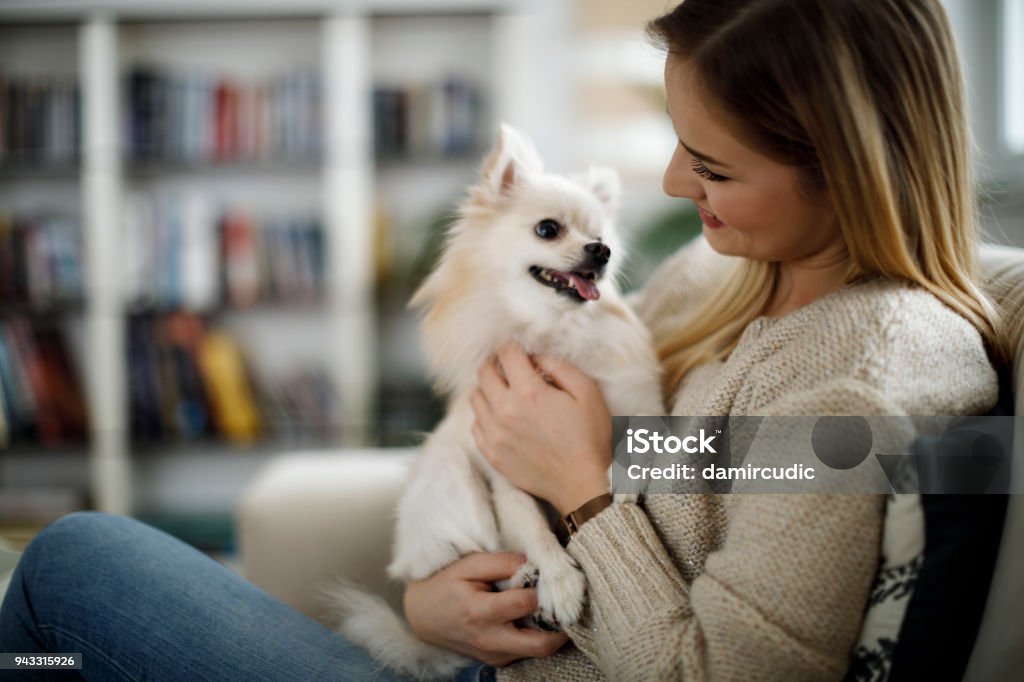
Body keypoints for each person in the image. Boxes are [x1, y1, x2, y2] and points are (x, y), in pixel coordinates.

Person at [0, 0, 1008, 680]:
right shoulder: (721, 281)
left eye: (710, 163)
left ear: (846, 162)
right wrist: (437, 606)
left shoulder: (853, 387)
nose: (665, 185)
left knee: (68, 565)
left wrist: (578, 489)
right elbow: (635, 453)